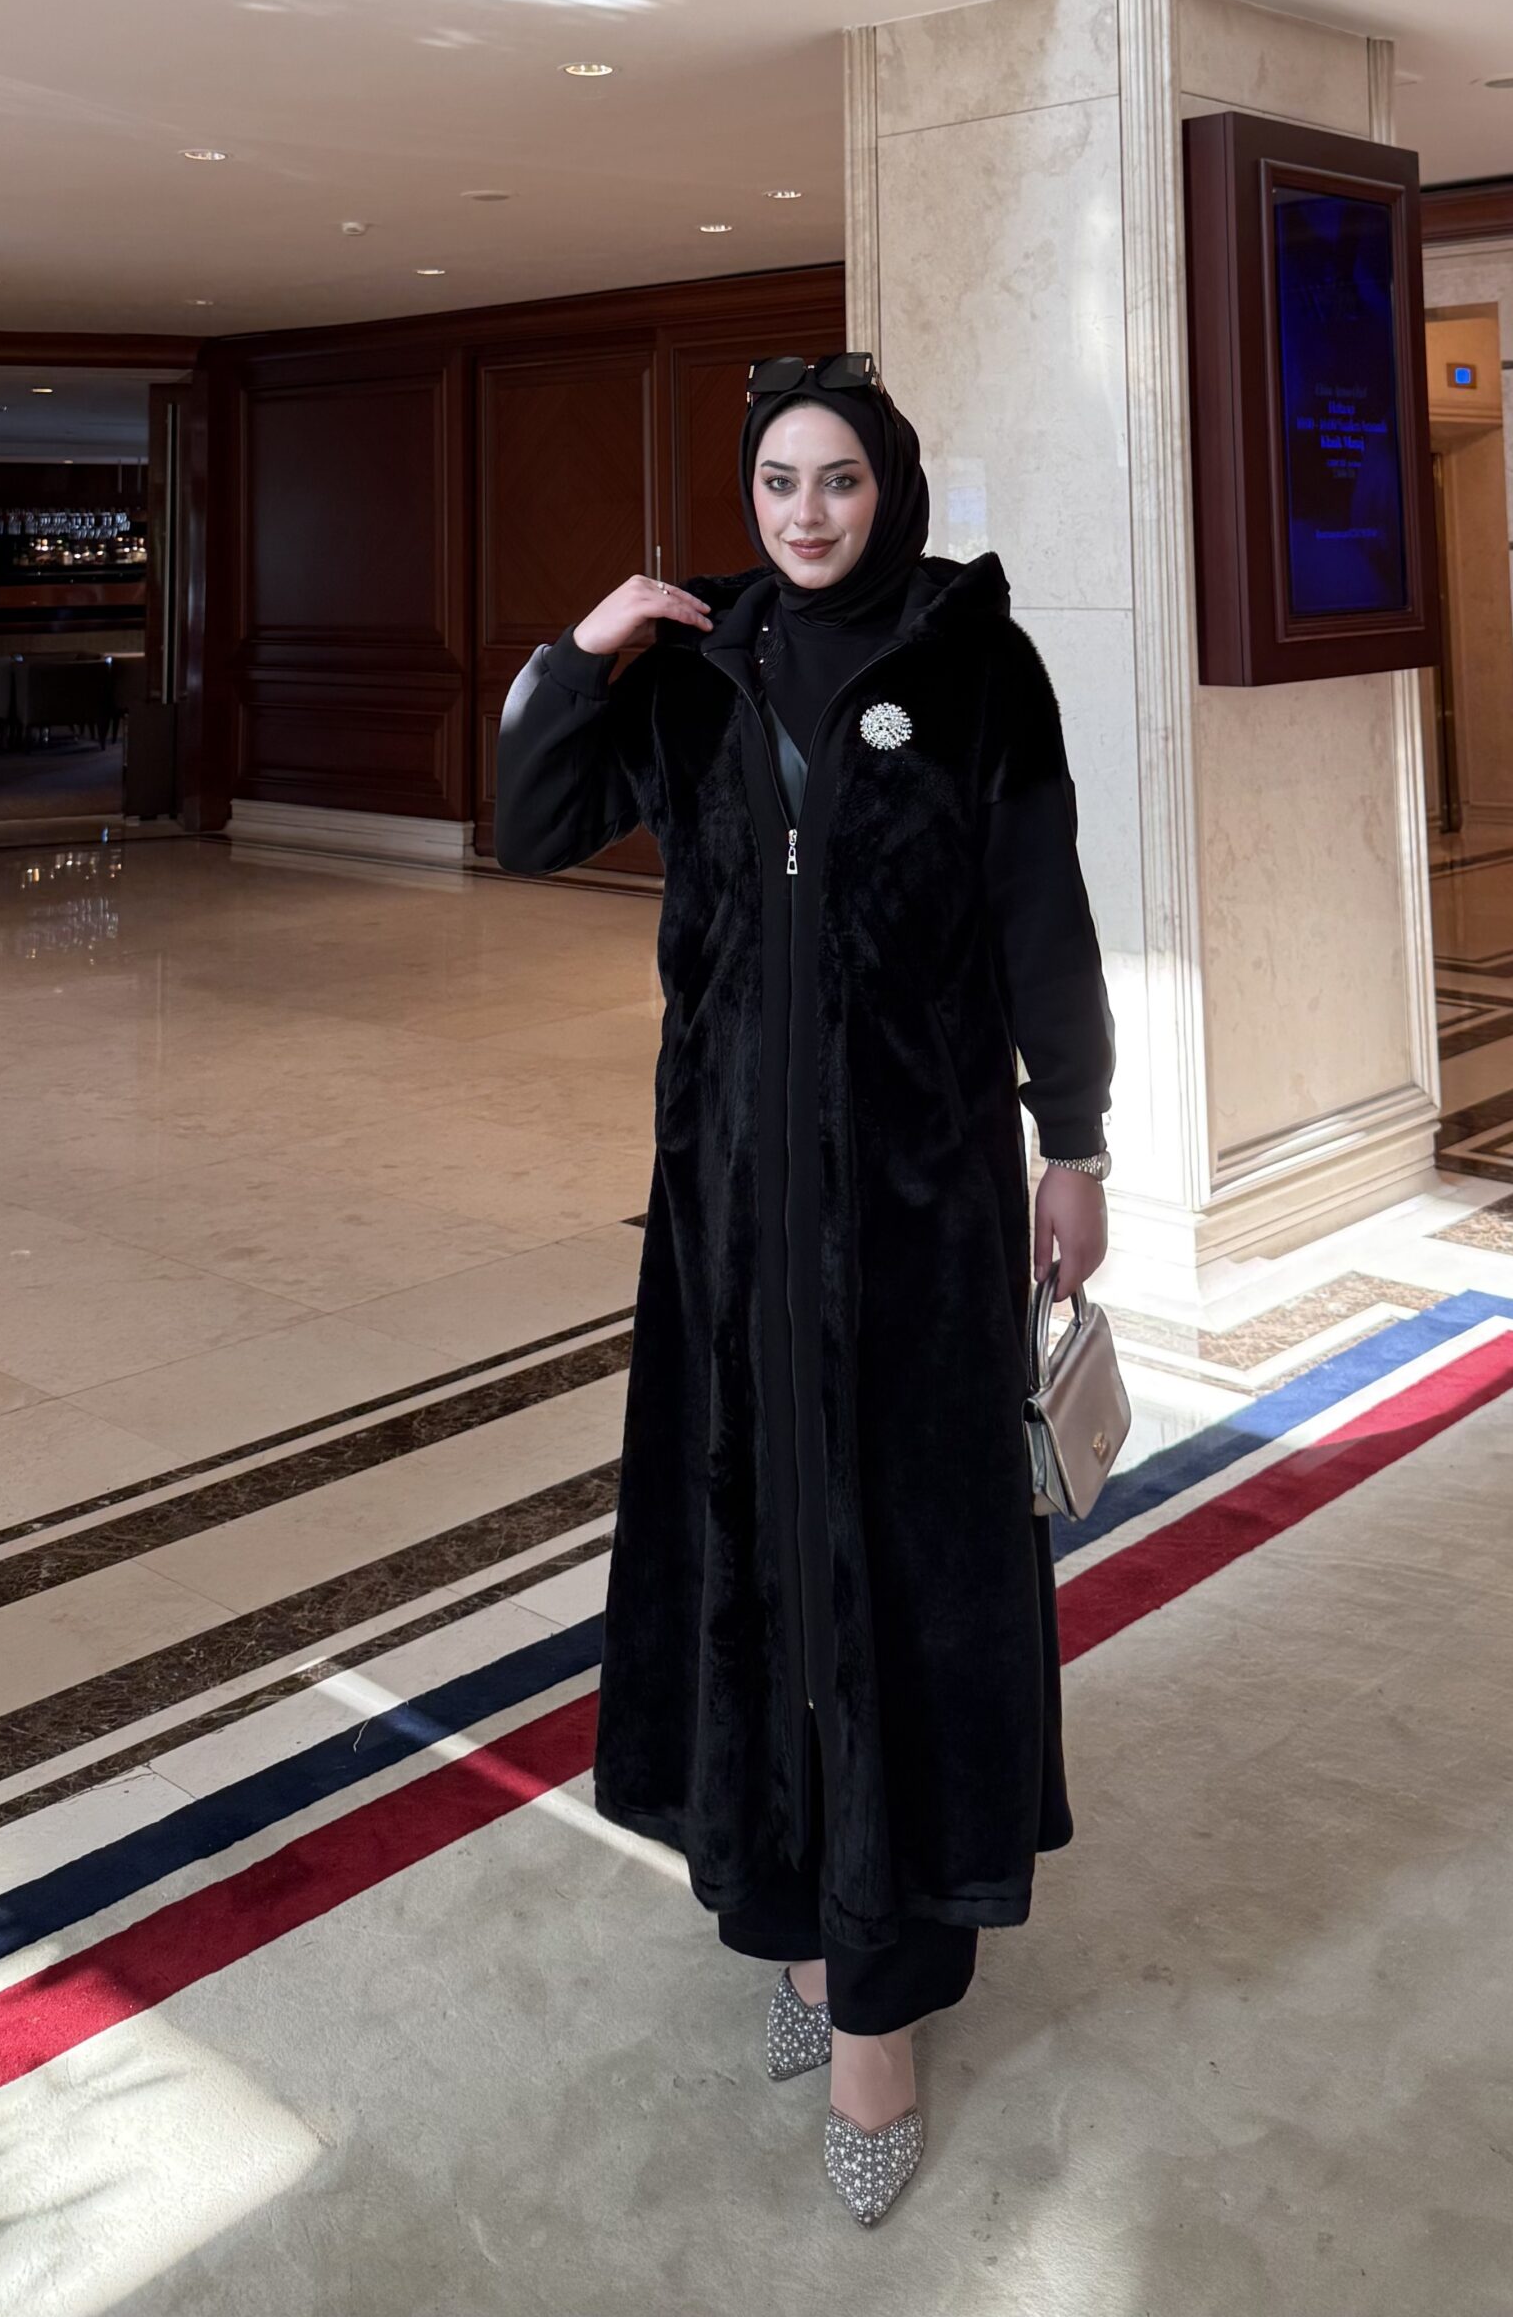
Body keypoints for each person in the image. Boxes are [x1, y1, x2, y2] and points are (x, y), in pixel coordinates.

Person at [496, 353, 1114, 2226]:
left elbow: (1042, 914)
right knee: (754, 1549)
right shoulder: (698, 667)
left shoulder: (977, 665)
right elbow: (531, 824)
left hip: (920, 1207)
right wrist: (582, 652)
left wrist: (1073, 1144)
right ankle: (784, 1902)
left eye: (838, 480)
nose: (807, 514)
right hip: (730, 1207)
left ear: (889, 487)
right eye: (779, 482)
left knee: (902, 1579)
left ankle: (881, 2005)